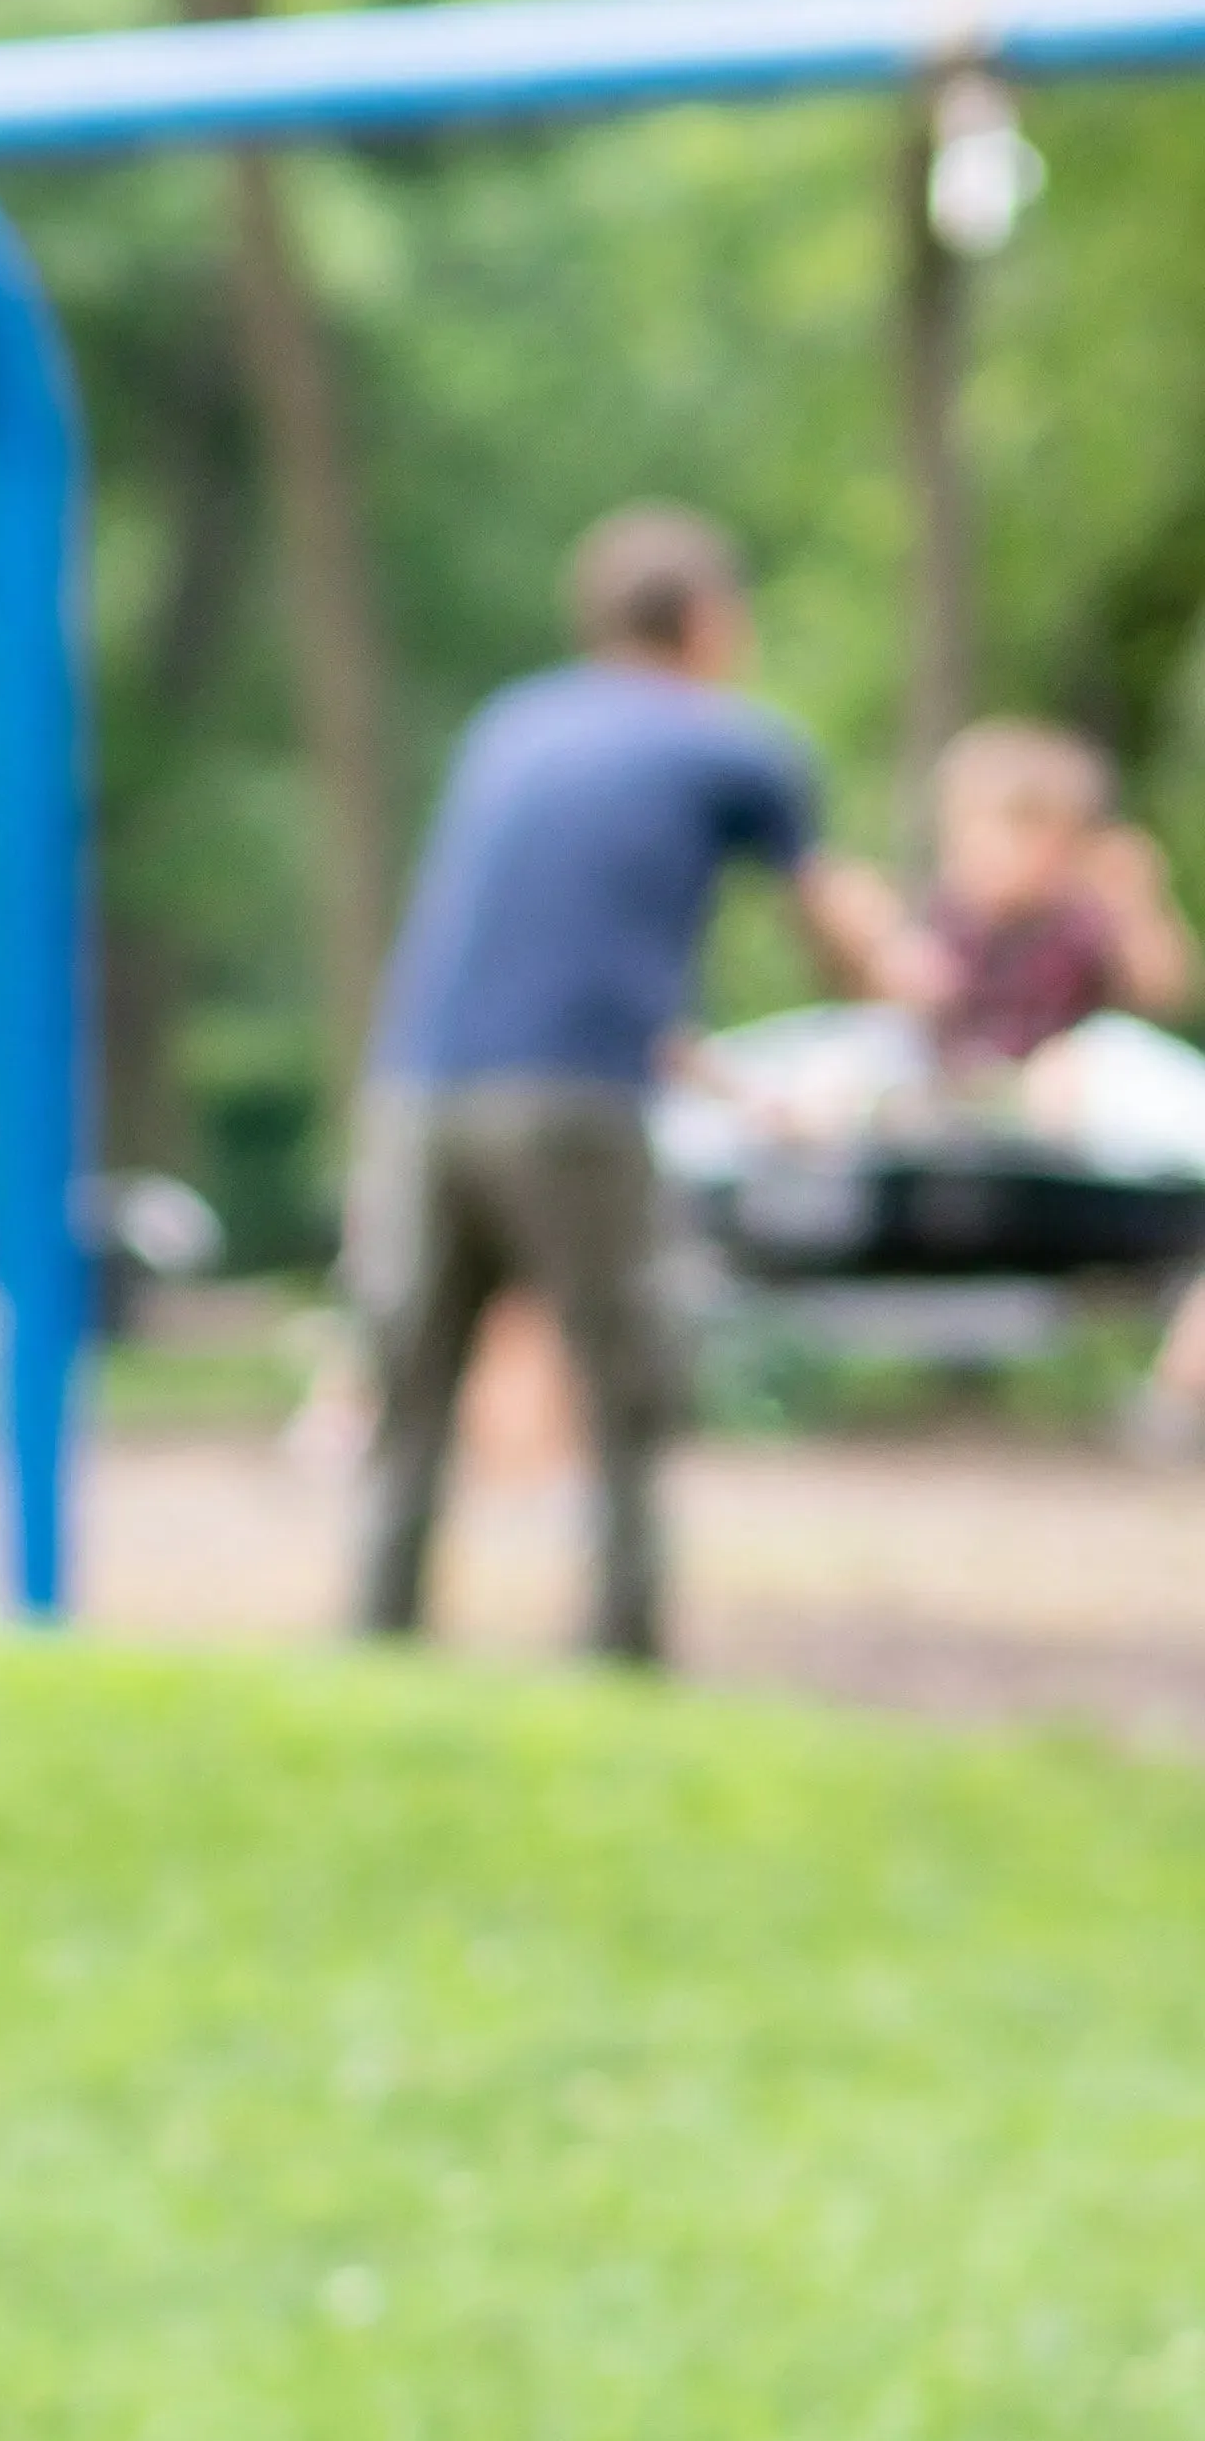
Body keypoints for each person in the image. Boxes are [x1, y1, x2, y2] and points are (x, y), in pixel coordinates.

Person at [351, 506, 904, 1666]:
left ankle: (378, 1635)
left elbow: (558, 962)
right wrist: (908, 981)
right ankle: (622, 1645)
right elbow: (837, 933)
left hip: (418, 1094)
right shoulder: (733, 747)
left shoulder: (510, 727)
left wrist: (724, 1083)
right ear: (707, 621)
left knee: (415, 1392)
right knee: (621, 1382)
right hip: (569, 1113)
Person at [907, 716, 1195, 1070]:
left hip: (1067, 1081)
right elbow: (920, 993)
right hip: (967, 1077)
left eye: (977, 838)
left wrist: (1137, 906)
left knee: (1118, 1045)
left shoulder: (1080, 918)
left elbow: (1167, 995)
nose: (958, 857)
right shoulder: (952, 920)